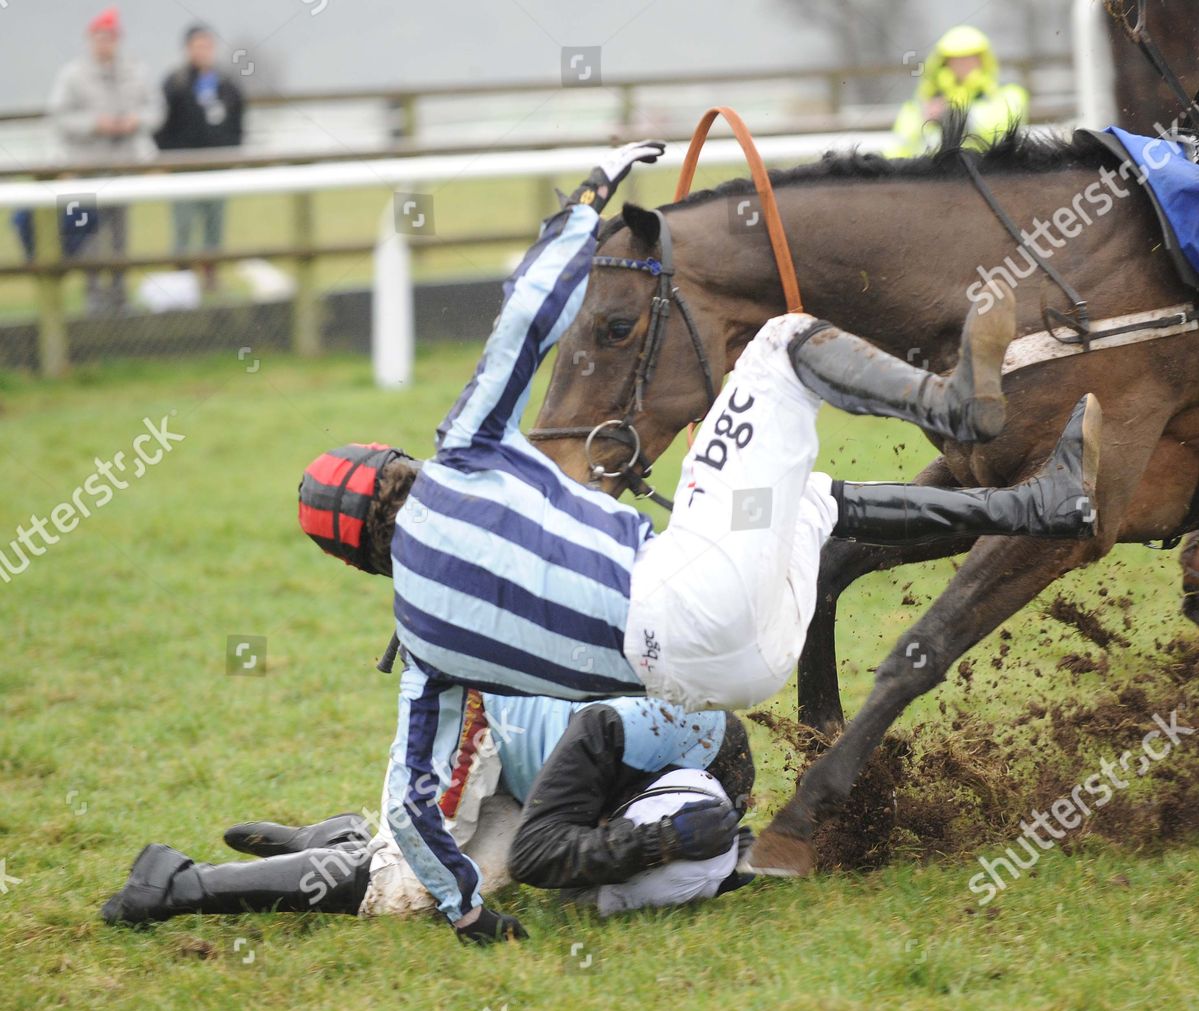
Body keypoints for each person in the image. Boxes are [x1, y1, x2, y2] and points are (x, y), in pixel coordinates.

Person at [294, 140, 1100, 942]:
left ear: (359, 558)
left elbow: (409, 804)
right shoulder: (459, 459)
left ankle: (1044, 505)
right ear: (395, 468)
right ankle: (955, 408)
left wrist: (469, 910)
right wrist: (585, 201)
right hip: (695, 599)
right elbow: (526, 320)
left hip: (733, 676)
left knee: (805, 502)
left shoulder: (423, 649)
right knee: (784, 344)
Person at [102, 696, 756, 942]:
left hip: (542, 773)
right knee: (406, 888)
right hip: (480, 724)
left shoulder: (692, 766)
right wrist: (661, 841)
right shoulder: (621, 733)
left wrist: (696, 854)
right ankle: (176, 881)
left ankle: (335, 839)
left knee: (444, 886)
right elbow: (539, 859)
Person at [46, 6, 164, 315]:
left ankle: (120, 293)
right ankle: (94, 295)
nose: (105, 43)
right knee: (90, 236)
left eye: (110, 38)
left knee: (120, 235)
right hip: (88, 168)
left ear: (117, 39)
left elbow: (156, 109)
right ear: (90, 39)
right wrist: (94, 124)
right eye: (100, 38)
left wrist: (135, 121)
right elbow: (59, 118)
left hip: (124, 166)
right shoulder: (72, 75)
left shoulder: (135, 71)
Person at [155, 24, 245, 293]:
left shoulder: (226, 85)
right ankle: (182, 282)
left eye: (207, 46)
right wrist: (167, 159)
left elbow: (238, 122)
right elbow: (161, 126)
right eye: (197, 46)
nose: (203, 51)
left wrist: (231, 153)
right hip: (183, 167)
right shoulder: (175, 84)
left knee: (214, 227)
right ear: (187, 49)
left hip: (217, 166)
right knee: (183, 225)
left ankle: (210, 279)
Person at [889, 25, 1030, 158]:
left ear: (983, 60)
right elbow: (899, 147)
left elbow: (1002, 130)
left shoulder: (1007, 93)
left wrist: (951, 116)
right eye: (956, 58)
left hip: (989, 177)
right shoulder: (922, 101)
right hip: (935, 178)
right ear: (944, 62)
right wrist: (924, 120)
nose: (963, 63)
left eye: (970, 57)